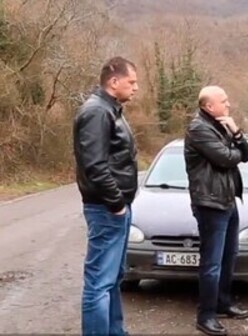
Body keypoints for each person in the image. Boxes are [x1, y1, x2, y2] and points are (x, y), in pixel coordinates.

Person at [73, 56, 139, 335]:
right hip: (106, 209)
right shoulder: (97, 112)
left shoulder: (111, 110)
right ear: (114, 82)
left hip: (116, 207)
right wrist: (116, 203)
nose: (135, 87)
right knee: (99, 283)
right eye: (131, 81)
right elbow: (95, 165)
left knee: (113, 279)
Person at [184, 85, 248, 335]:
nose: (228, 104)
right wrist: (234, 148)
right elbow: (225, 158)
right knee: (211, 262)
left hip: (227, 199)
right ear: (208, 106)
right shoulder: (198, 128)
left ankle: (223, 303)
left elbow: (245, 155)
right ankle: (206, 315)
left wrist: (236, 131)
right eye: (223, 101)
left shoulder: (220, 124)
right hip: (210, 202)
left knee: (229, 255)